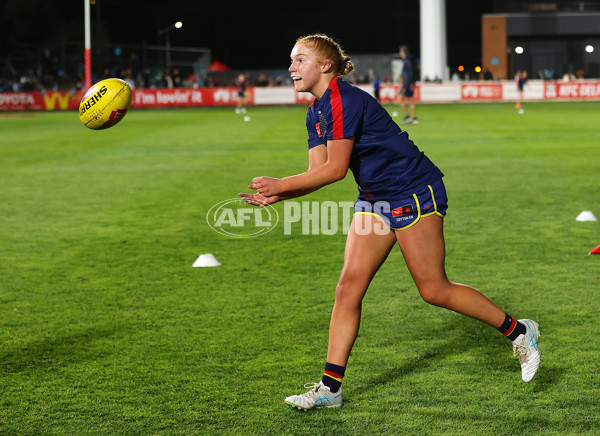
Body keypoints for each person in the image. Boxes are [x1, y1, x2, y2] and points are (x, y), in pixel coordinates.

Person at [239, 34, 541, 411]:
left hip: (413, 192)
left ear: (325, 66)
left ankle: (520, 331)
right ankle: (330, 388)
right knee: (348, 288)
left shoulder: (344, 100)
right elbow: (317, 172)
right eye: (291, 60)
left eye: (300, 60)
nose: (291, 68)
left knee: (433, 289)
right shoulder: (315, 110)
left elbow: (334, 171)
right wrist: (280, 194)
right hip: (375, 201)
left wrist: (281, 184)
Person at [396, 45, 418, 124]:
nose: (400, 53)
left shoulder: (407, 61)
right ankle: (414, 118)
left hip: (406, 84)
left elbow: (410, 73)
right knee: (410, 100)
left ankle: (407, 116)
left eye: (400, 51)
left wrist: (411, 83)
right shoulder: (408, 60)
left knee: (399, 99)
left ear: (403, 52)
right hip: (408, 83)